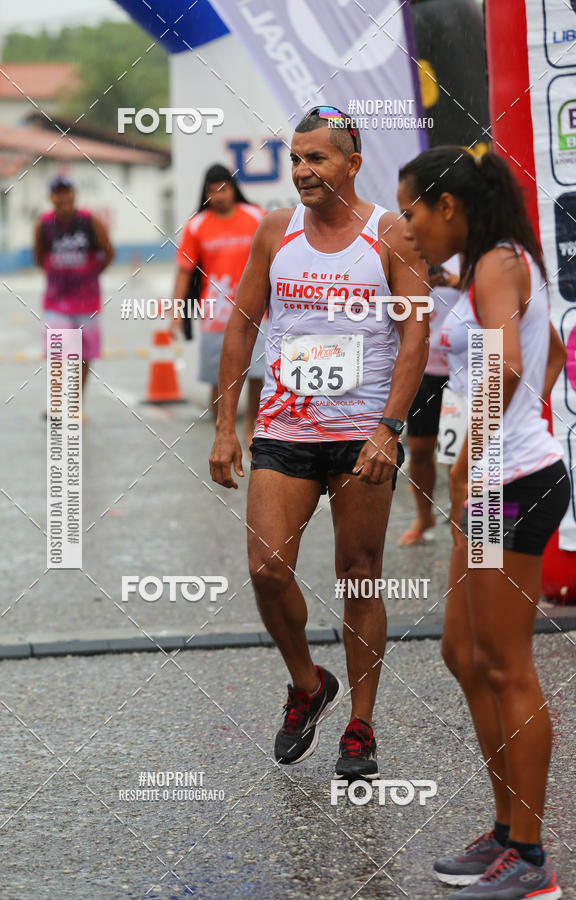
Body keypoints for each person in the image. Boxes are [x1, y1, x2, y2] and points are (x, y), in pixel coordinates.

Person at [209, 106, 429, 780]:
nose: (302, 171)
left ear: (352, 164)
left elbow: (415, 336)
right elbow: (243, 322)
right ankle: (308, 684)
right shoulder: (276, 229)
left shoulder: (389, 233)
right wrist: (225, 425)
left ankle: (360, 727)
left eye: (317, 159)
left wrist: (389, 428)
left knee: (358, 574)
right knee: (266, 569)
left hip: (362, 436)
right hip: (284, 428)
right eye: (296, 159)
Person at [398, 146, 569, 899]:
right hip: (498, 483)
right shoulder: (487, 267)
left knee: (505, 665)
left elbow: (500, 366)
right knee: (463, 654)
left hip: (510, 488)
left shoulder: (500, 263)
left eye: (412, 210)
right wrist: (518, 420)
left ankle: (530, 861)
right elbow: (553, 350)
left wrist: (473, 457)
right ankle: (505, 832)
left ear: (448, 207)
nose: (407, 227)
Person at [170, 165, 265, 446]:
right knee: (218, 379)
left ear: (234, 188)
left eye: (223, 188)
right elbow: (184, 271)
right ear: (206, 193)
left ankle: (251, 429)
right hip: (215, 314)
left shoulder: (256, 217)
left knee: (257, 374)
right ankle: (222, 432)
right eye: (212, 190)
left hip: (256, 310)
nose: (218, 195)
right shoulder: (197, 225)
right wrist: (176, 313)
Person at [34, 175, 114, 406]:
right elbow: (39, 256)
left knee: (84, 354)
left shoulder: (90, 221)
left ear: (74, 193)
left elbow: (108, 251)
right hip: (56, 301)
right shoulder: (44, 224)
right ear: (51, 197)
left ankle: (76, 401)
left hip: (87, 300)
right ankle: (59, 403)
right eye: (58, 192)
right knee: (57, 351)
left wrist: (91, 272)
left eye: (67, 191)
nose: (63, 197)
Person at [399, 256, 461, 545]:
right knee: (421, 449)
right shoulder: (416, 250)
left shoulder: (471, 248)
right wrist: (421, 285)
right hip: (424, 369)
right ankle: (425, 516)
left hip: (464, 369)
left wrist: (456, 281)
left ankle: (462, 522)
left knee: (460, 452)